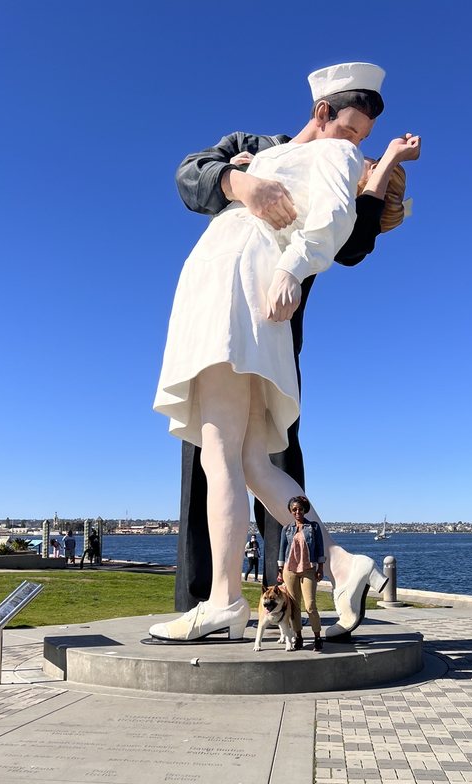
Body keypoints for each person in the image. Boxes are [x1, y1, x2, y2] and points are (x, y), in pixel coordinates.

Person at [150, 62, 417, 643]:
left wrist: (292, 269)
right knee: (250, 463)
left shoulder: (335, 157)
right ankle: (343, 564)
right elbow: (193, 172)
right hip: (234, 289)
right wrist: (241, 176)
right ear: (322, 112)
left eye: (363, 137)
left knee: (218, 453)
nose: (356, 143)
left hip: (238, 293)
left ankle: (223, 598)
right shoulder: (262, 151)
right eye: (350, 127)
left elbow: (337, 223)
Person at [278, 496, 325, 651]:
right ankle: (298, 637)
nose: (297, 512)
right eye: (294, 509)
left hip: (308, 569)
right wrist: (280, 571)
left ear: (305, 510)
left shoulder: (314, 527)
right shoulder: (287, 529)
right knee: (294, 605)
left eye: (300, 509)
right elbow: (282, 551)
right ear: (291, 511)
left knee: (310, 605)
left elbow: (319, 549)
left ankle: (318, 637)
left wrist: (320, 568)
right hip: (289, 570)